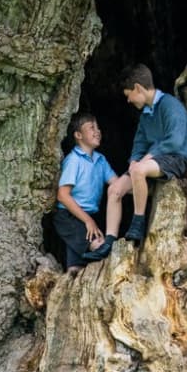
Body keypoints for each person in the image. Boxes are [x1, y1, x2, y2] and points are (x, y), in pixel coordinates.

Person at [83, 64, 187, 261]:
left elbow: (175, 140)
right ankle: (108, 241)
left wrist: (147, 158)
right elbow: (139, 143)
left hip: (174, 159)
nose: (128, 99)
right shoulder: (146, 115)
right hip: (150, 163)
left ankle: (138, 221)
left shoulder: (170, 105)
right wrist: (134, 160)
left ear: (138, 88)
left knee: (139, 170)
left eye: (129, 94)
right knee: (114, 189)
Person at [54, 113, 119, 273]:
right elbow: (63, 195)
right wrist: (88, 220)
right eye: (91, 128)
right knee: (100, 245)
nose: (97, 131)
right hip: (68, 216)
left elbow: (118, 185)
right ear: (78, 135)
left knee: (75, 268)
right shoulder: (73, 160)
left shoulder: (100, 160)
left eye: (98, 127)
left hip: (88, 216)